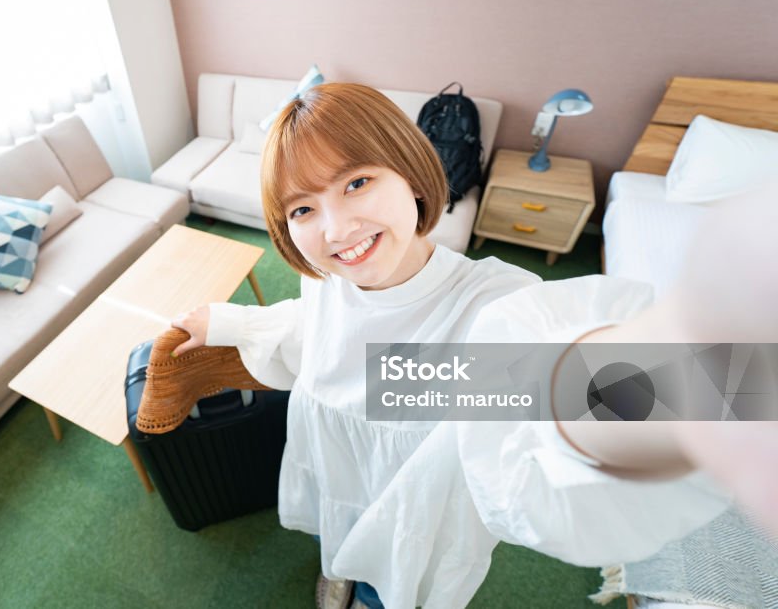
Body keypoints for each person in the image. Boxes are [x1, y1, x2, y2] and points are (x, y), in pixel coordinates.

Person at [169, 83, 774, 609]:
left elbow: (567, 384)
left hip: (413, 498)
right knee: (339, 530)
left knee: (394, 575)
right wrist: (226, 324)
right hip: (337, 461)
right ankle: (337, 567)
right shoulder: (322, 276)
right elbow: (317, 331)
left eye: (356, 183)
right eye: (304, 207)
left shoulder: (490, 305)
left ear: (409, 171)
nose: (335, 231)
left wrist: (726, 380)